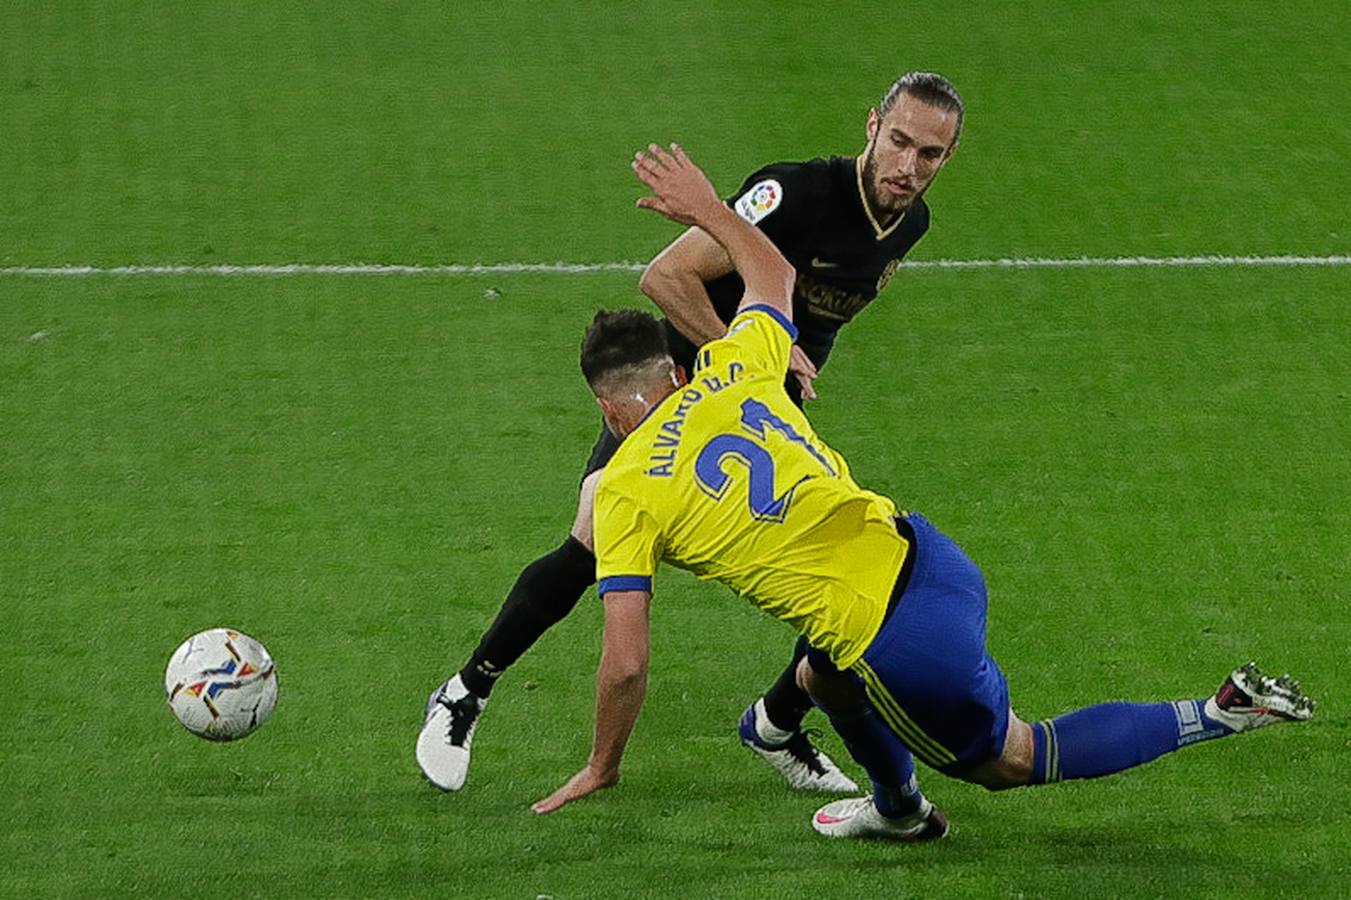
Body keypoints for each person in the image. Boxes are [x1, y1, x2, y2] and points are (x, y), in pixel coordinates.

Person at [530, 143, 1315, 839]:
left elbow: (626, 662)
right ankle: (897, 808)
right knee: (821, 673)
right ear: (673, 373)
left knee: (1013, 757)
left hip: (897, 640)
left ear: (606, 409)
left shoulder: (623, 489)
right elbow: (771, 272)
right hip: (928, 556)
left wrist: (602, 763)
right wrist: (706, 207)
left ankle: (1217, 711)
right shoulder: (734, 367)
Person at [418, 72, 967, 793]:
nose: (907, 166)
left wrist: (774, 372)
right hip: (678, 388)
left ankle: (775, 723)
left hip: (762, 396)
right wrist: (733, 356)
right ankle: (465, 692)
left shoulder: (908, 222)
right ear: (870, 126)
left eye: (928, 155)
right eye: (897, 142)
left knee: (840, 553)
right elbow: (666, 277)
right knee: (591, 540)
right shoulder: (796, 195)